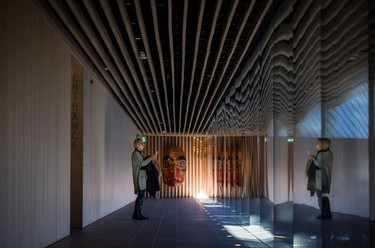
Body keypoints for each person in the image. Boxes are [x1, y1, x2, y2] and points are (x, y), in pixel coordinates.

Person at [131, 138, 158, 220]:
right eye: (142, 144)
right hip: (140, 178)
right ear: (137, 145)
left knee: (141, 196)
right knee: (141, 196)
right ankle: (137, 214)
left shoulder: (140, 153)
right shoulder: (136, 154)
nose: (144, 145)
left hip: (142, 178)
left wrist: (151, 157)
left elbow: (144, 161)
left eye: (144, 144)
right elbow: (142, 164)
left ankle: (137, 213)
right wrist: (151, 158)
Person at [307, 138, 333, 219]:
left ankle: (325, 214)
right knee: (322, 196)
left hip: (322, 179)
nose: (316, 145)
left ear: (322, 145)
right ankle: (326, 214)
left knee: (321, 197)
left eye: (317, 144)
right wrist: (313, 158)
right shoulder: (325, 153)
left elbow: (319, 165)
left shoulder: (324, 154)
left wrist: (312, 158)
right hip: (321, 178)